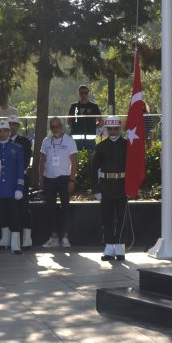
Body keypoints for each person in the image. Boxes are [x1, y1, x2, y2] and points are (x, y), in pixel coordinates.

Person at [0, 120, 25, 255]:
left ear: (9, 132)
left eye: (5, 130)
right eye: (0, 131)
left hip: (12, 190)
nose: (3, 133)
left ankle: (15, 246)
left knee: (15, 218)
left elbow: (20, 169)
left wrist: (19, 188)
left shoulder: (18, 148)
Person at [91, 115, 128, 261]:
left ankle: (120, 246)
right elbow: (94, 170)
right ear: (106, 129)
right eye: (110, 129)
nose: (113, 131)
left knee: (121, 218)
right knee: (106, 218)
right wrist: (96, 189)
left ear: (119, 129)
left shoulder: (127, 145)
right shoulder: (100, 147)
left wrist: (131, 187)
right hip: (106, 187)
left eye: (116, 129)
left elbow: (133, 169)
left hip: (121, 185)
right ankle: (108, 246)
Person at [38, 117, 78, 248]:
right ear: (51, 128)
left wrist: (72, 179)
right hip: (49, 178)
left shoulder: (69, 140)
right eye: (52, 127)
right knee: (50, 208)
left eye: (57, 126)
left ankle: (65, 237)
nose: (55, 129)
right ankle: (54, 237)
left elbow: (74, 161)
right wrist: (41, 177)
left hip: (64, 178)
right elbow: (42, 160)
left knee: (65, 208)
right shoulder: (46, 141)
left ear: (61, 126)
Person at [8, 116, 34, 249]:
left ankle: (27, 239)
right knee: (9, 208)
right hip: (6, 181)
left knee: (23, 208)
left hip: (20, 178)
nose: (12, 127)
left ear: (18, 127)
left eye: (14, 124)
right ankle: (9, 240)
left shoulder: (24, 142)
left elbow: (25, 160)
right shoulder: (1, 141)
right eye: (9, 124)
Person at [68, 85, 102, 150]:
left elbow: (101, 121)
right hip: (76, 138)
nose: (83, 95)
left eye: (86, 93)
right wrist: (75, 126)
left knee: (91, 158)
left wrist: (94, 126)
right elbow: (69, 121)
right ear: (78, 94)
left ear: (89, 94)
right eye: (81, 93)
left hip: (90, 138)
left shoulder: (94, 106)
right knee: (76, 157)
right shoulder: (73, 106)